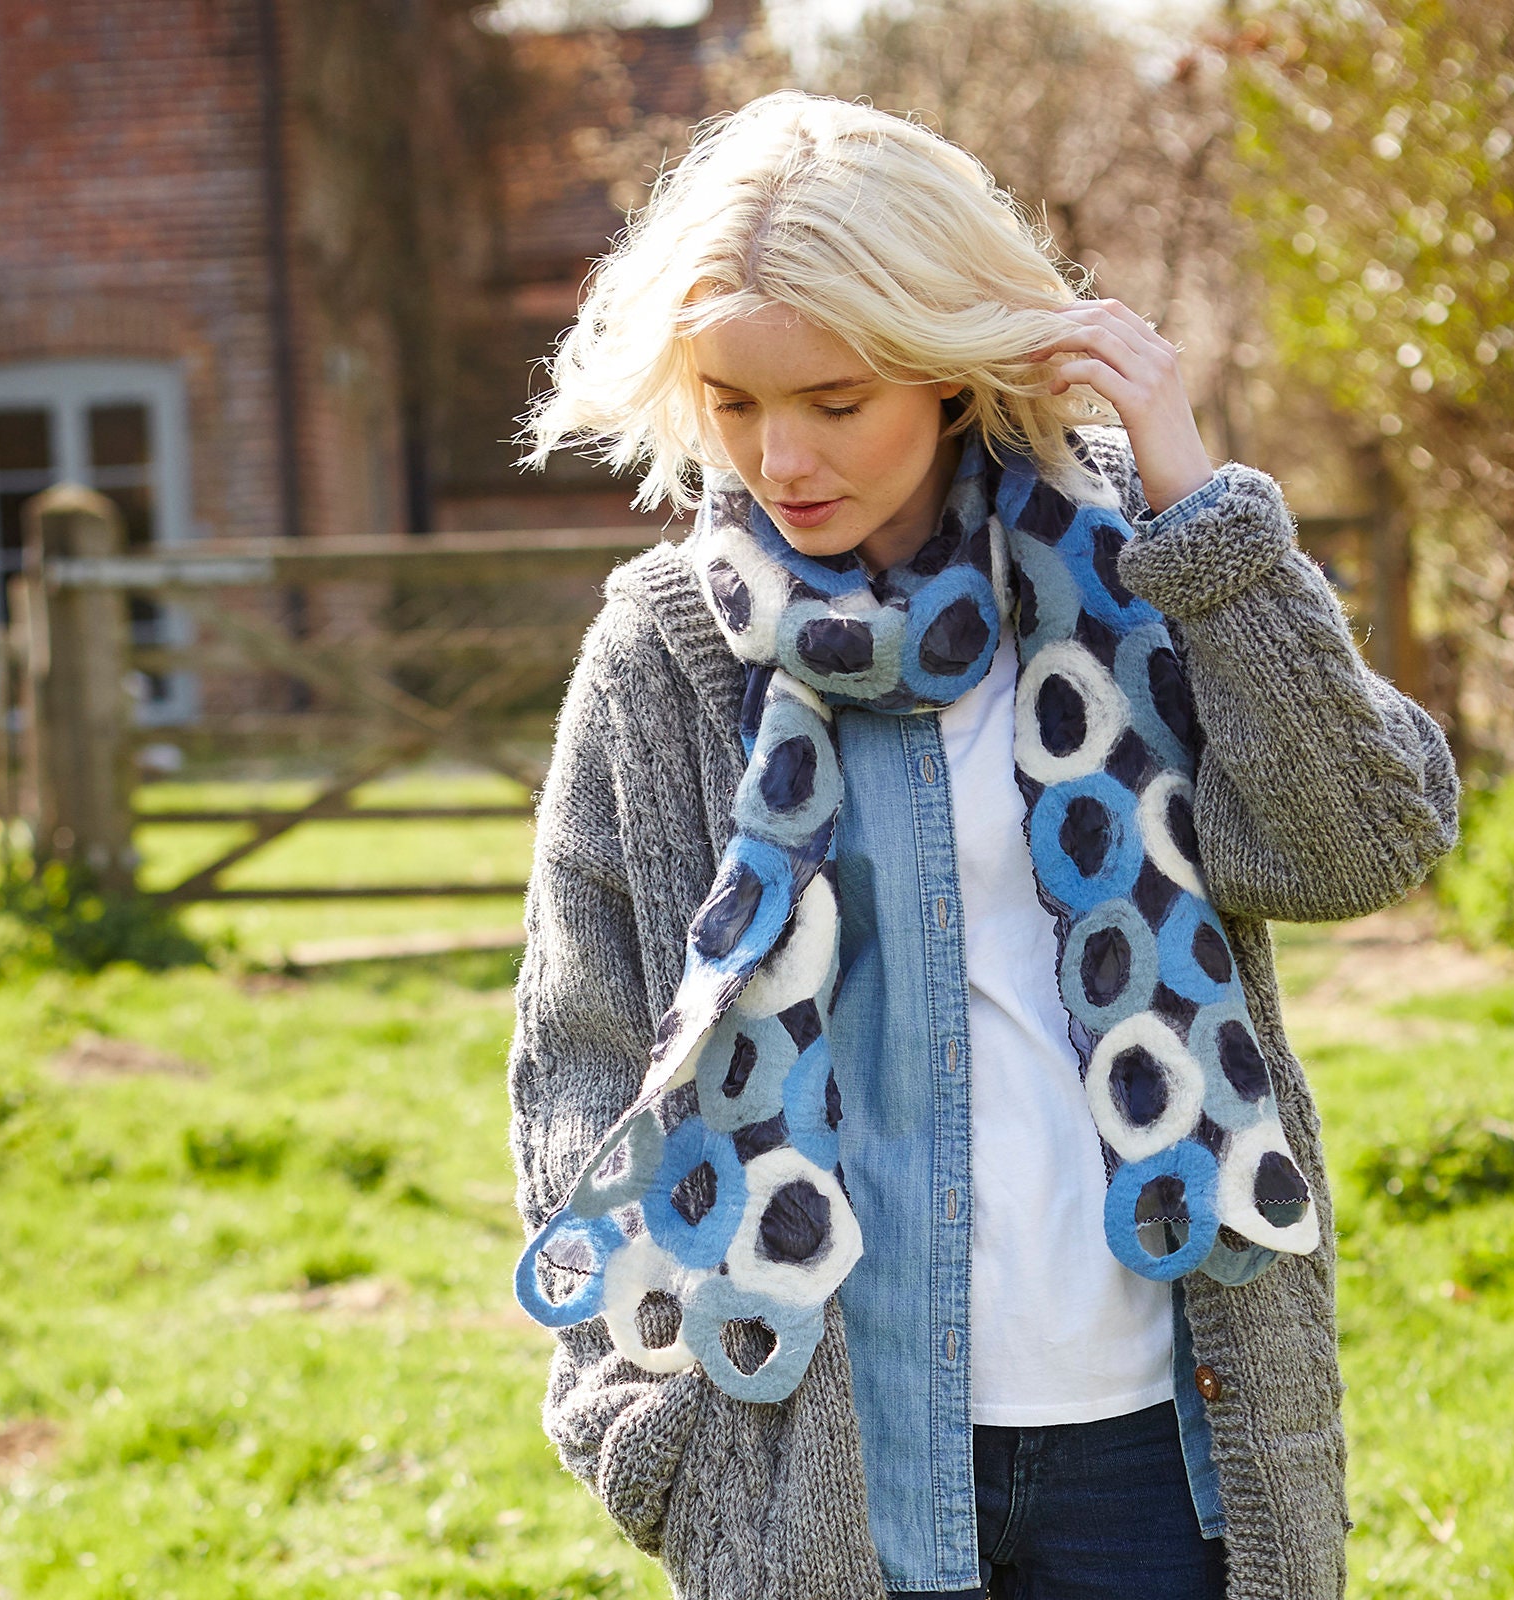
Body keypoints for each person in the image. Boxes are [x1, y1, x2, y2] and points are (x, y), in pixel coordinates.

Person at [506, 91, 1458, 1600]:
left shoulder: (1141, 579)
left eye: (833, 399)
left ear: (950, 375)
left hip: (1161, 1446)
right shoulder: (666, 661)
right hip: (828, 1456)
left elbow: (1358, 844)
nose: (781, 457)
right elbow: (581, 1054)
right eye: (737, 404)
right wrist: (649, 1427)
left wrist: (1201, 507)